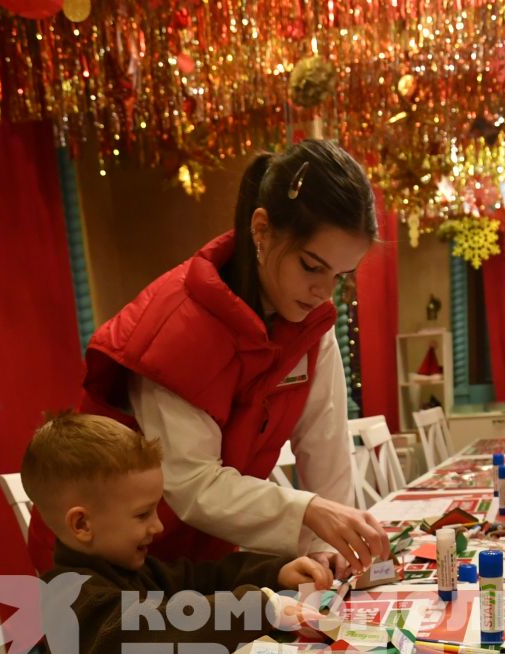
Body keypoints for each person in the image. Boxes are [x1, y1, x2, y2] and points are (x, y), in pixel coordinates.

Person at [61, 139, 390, 576]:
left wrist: (325, 543)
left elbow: (324, 446)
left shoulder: (310, 326)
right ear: (261, 229)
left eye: (340, 276)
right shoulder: (176, 328)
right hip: (113, 570)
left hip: (201, 568)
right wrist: (310, 512)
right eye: (312, 266)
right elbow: (192, 484)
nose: (323, 293)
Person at [24, 413, 335, 654]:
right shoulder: (69, 597)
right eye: (143, 514)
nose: (157, 526)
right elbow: (150, 626)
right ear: (82, 524)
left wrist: (276, 572)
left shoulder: (130, 569)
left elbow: (200, 578)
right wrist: (260, 606)